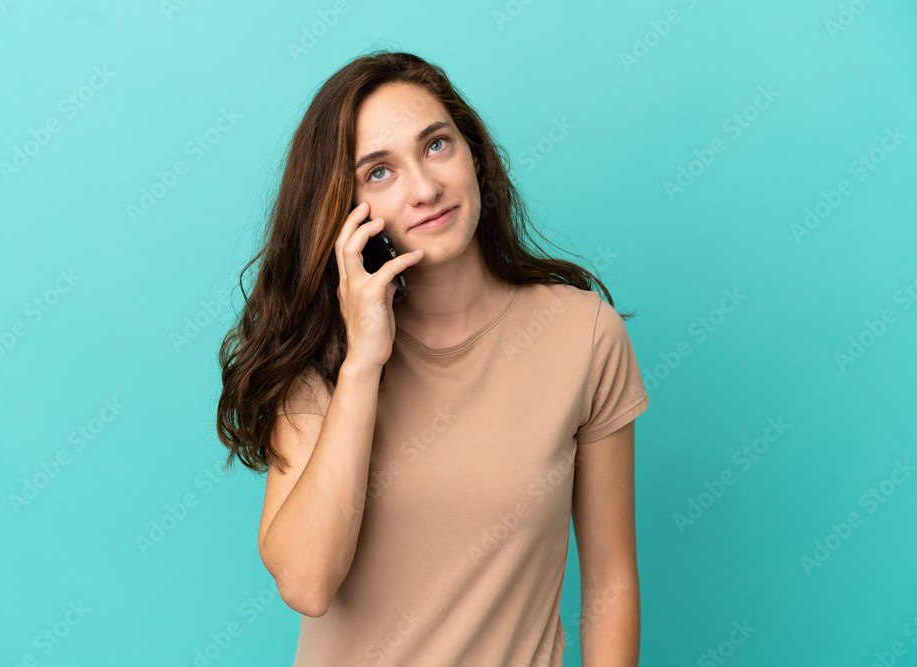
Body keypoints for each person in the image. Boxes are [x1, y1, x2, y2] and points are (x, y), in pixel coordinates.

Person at [216, 49, 651, 666]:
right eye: (379, 172)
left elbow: (610, 580)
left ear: (475, 155)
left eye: (437, 145)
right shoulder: (322, 355)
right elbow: (307, 584)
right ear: (345, 211)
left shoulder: (584, 335)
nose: (425, 188)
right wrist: (363, 361)